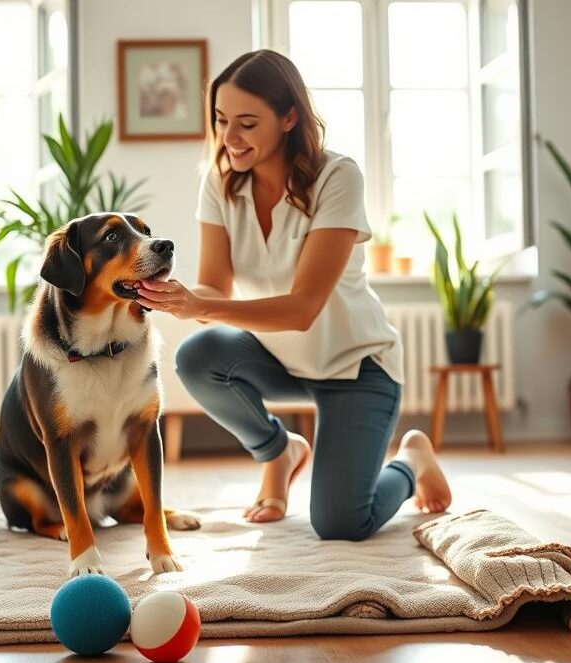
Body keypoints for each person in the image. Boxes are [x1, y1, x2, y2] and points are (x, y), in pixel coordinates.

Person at [133, 49, 452, 541]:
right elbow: (214, 286)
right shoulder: (219, 183)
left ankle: (411, 458)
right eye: (220, 120)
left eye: (246, 123)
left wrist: (201, 305)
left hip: (356, 367)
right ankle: (278, 451)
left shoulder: (337, 177)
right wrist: (176, 296)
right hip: (277, 358)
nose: (229, 138)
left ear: (289, 118)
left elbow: (304, 308)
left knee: (342, 524)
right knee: (197, 357)